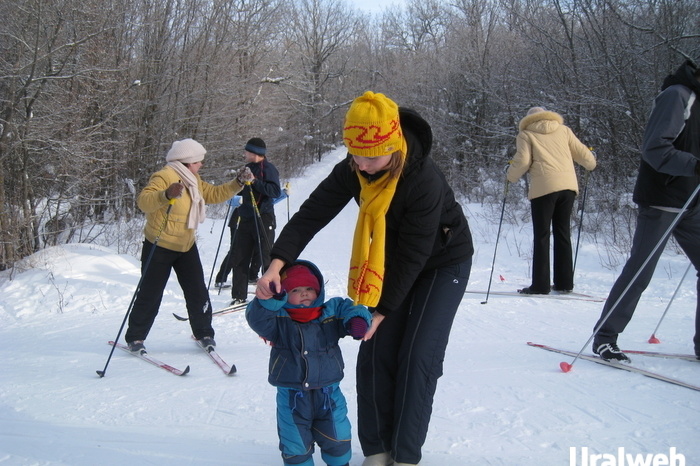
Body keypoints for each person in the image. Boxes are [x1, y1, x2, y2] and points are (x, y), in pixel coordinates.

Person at [255, 91, 474, 466]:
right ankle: (377, 450)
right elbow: (311, 214)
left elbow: (414, 254)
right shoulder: (355, 168)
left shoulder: (424, 181)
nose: (364, 165)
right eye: (355, 155)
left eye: (372, 157)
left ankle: (404, 456)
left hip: (441, 264)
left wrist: (383, 310)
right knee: (375, 351)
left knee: (418, 355)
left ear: (394, 147)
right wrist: (277, 263)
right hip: (392, 263)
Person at [592, 60, 700, 362]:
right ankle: (605, 337)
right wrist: (695, 165)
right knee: (641, 269)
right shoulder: (678, 96)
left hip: (693, 201)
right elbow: (655, 149)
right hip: (664, 197)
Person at [124, 138, 254, 353]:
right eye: (198, 161)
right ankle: (135, 337)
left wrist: (237, 182)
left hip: (185, 245)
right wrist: (165, 194)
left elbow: (213, 194)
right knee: (150, 293)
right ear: (187, 161)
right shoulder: (164, 176)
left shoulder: (193, 178)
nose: (201, 164)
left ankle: (203, 333)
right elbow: (144, 202)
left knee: (197, 291)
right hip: (160, 244)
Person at [246, 260, 372, 466]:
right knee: (295, 444)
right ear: (284, 293)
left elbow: (349, 308)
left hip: (329, 396)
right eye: (295, 289)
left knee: (338, 437)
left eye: (309, 288)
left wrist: (357, 321)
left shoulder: (329, 313)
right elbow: (257, 318)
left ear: (318, 291)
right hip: (293, 399)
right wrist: (271, 300)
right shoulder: (278, 320)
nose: (304, 293)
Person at [506, 106, 596, 295]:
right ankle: (564, 283)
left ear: (528, 120)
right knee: (563, 234)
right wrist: (590, 164)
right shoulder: (564, 130)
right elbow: (585, 156)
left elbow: (522, 161)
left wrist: (510, 176)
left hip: (543, 189)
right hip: (568, 188)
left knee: (542, 236)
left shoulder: (526, 134)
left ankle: (540, 285)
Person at [229, 138, 281, 305]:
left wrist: (255, 182)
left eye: (247, 151)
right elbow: (242, 188)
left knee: (266, 256)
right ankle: (238, 296)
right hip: (246, 216)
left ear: (255, 153)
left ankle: (269, 294)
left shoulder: (269, 169)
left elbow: (274, 191)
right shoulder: (248, 168)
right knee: (240, 256)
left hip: (263, 216)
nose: (244, 154)